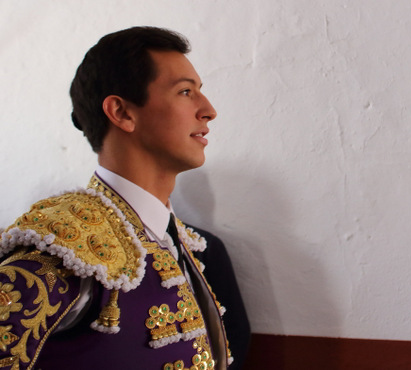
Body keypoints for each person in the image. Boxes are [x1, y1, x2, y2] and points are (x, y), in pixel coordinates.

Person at [0, 26, 250, 370]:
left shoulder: (188, 244)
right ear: (122, 113)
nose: (208, 110)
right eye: (185, 91)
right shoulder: (64, 245)